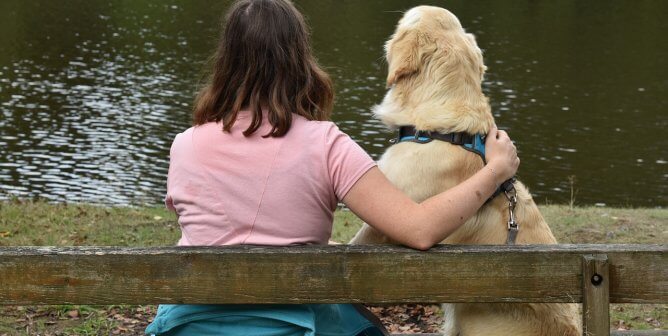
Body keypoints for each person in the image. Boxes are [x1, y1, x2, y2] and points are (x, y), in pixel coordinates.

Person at [145, 0, 520, 335]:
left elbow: (208, 223)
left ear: (226, 61)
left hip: (190, 325)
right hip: (298, 325)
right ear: (298, 59)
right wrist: (495, 171)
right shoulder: (326, 144)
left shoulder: (185, 145)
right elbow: (419, 230)